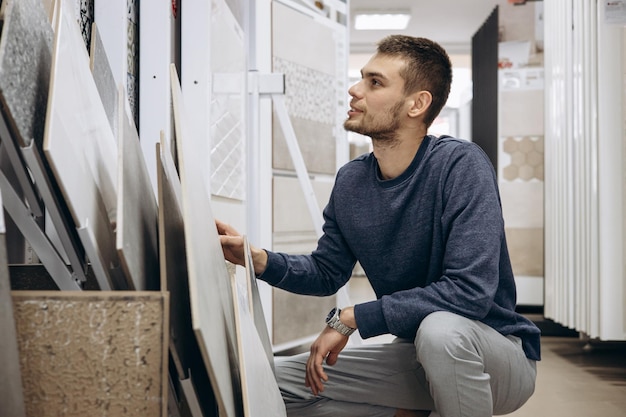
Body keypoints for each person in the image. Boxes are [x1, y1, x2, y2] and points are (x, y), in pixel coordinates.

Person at [217, 34, 540, 417]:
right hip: (415, 353)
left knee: (440, 331)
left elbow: (469, 292)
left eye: (375, 82)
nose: (355, 91)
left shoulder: (460, 166)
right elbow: (325, 272)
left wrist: (353, 317)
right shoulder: (352, 181)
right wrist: (256, 259)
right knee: (265, 384)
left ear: (417, 104)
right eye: (361, 78)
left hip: (494, 355)